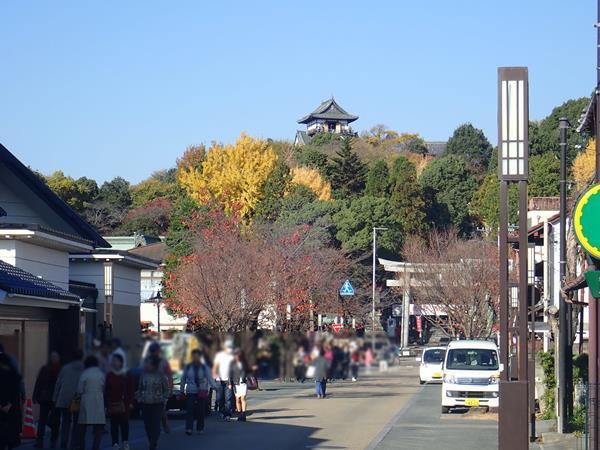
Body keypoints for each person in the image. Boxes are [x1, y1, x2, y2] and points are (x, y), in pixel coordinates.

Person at [53, 349, 84, 450]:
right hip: (77, 398)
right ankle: (74, 443)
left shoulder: (65, 368)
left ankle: (64, 441)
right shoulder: (84, 369)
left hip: (64, 397)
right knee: (76, 422)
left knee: (65, 421)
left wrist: (55, 398)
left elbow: (58, 383)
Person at [136, 356, 169, 450]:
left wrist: (164, 399)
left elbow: (166, 390)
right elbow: (140, 388)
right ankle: (151, 440)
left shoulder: (161, 376)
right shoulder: (143, 375)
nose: (147, 365)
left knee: (155, 425)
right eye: (147, 363)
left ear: (154, 365)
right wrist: (139, 397)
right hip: (145, 403)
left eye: (149, 364)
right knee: (147, 425)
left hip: (157, 403)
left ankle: (153, 443)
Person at [105, 353, 133, 450]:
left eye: (116, 360)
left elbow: (130, 389)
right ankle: (115, 443)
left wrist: (130, 402)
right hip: (112, 402)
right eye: (113, 360)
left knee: (124, 423)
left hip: (124, 402)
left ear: (121, 362)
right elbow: (106, 389)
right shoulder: (109, 374)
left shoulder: (126, 373)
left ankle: (125, 442)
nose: (114, 362)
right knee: (114, 424)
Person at [33, 351, 61, 448]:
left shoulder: (59, 369)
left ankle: (51, 440)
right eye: (52, 357)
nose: (53, 358)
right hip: (47, 398)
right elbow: (39, 382)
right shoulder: (45, 369)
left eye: (55, 357)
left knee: (52, 420)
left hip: (54, 398)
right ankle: (41, 440)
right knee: (43, 420)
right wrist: (35, 395)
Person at [77, 356, 105, 450]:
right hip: (98, 401)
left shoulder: (84, 374)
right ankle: (95, 447)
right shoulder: (101, 374)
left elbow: (79, 389)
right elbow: (104, 387)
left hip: (86, 400)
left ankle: (81, 446)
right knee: (98, 428)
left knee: (82, 427)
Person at [182, 349, 211, 435]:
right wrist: (181, 389)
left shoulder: (204, 367)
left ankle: (200, 427)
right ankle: (189, 428)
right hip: (190, 390)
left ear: (199, 357)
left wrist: (215, 387)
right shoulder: (188, 367)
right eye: (193, 356)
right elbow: (183, 379)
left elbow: (210, 378)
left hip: (201, 391)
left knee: (200, 411)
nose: (195, 358)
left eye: (197, 356)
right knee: (189, 409)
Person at [147, 342, 173, 434]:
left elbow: (169, 375)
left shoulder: (163, 362)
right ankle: (154, 426)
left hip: (162, 389)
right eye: (152, 351)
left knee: (161, 408)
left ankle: (163, 424)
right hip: (150, 388)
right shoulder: (147, 361)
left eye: (156, 351)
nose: (154, 353)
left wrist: (170, 388)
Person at [0, 353, 22, 450]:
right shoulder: (14, 374)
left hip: (4, 406)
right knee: (10, 432)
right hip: (12, 407)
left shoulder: (4, 374)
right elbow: (17, 391)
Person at [212, 340, 234, 420]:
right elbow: (215, 366)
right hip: (219, 380)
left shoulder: (231, 357)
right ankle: (222, 412)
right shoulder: (219, 356)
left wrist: (231, 381)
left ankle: (228, 414)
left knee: (228, 399)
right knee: (219, 399)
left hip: (227, 381)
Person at [230, 350, 249, 421]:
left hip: (243, 383)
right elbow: (230, 375)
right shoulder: (232, 365)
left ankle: (243, 415)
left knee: (243, 398)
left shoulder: (244, 364)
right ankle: (239, 414)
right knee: (237, 399)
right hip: (236, 384)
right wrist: (229, 383)